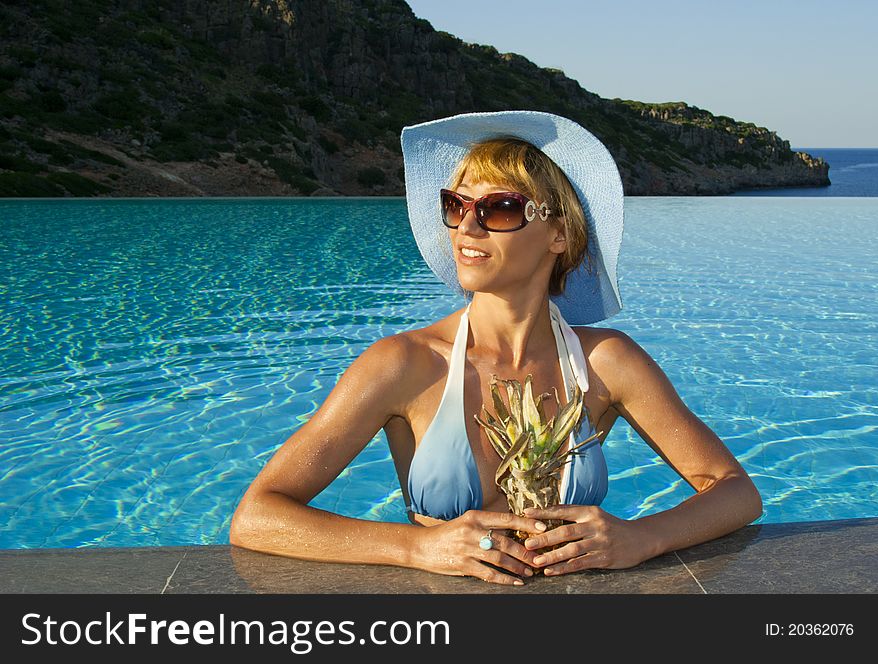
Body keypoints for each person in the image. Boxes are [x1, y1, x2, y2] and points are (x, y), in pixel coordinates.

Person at [230, 110, 763, 586]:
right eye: (456, 205)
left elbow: (736, 492)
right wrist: (416, 548)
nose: (467, 225)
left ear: (559, 234)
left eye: (500, 208)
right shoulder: (407, 364)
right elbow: (257, 515)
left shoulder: (605, 363)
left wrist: (641, 538)